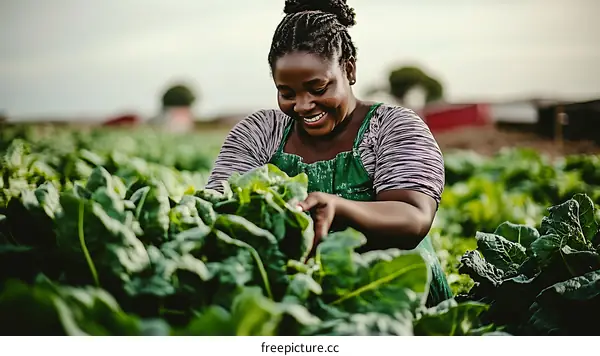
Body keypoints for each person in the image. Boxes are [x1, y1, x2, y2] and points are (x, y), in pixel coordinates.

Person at [205, 0, 453, 307]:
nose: (303, 105)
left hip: (397, 302)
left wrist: (338, 206)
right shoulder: (259, 133)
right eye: (287, 93)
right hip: (295, 303)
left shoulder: (393, 128)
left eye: (318, 88)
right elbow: (217, 210)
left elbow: (413, 217)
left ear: (348, 69)